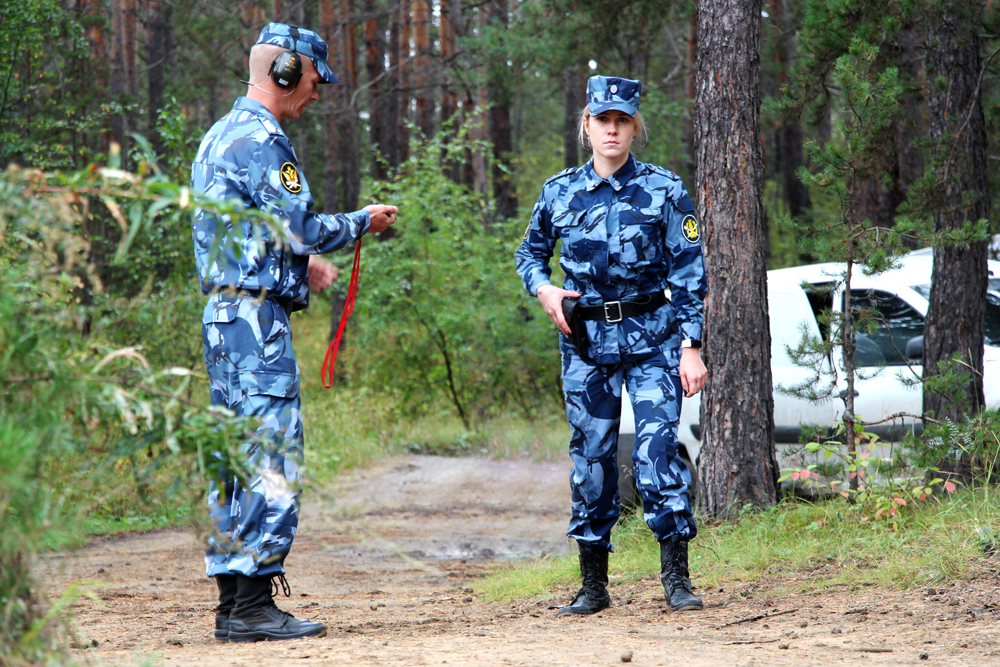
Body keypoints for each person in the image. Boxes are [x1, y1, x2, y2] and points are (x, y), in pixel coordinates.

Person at [190, 22, 398, 642]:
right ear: (285, 71)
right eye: (312, 79)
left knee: (231, 454)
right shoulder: (264, 139)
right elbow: (302, 224)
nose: (316, 92)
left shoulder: (220, 136)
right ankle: (253, 605)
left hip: (225, 318)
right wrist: (364, 221)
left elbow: (251, 234)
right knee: (271, 452)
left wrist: (298, 265)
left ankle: (234, 602)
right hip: (255, 324)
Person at [515, 75, 707, 616]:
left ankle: (676, 577)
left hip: (654, 341)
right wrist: (544, 287)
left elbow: (690, 271)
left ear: (635, 126)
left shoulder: (666, 190)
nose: (613, 131)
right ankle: (593, 585)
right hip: (585, 343)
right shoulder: (559, 191)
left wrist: (691, 346)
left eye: (623, 121)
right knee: (592, 461)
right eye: (604, 121)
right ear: (587, 125)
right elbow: (528, 254)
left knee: (656, 455)